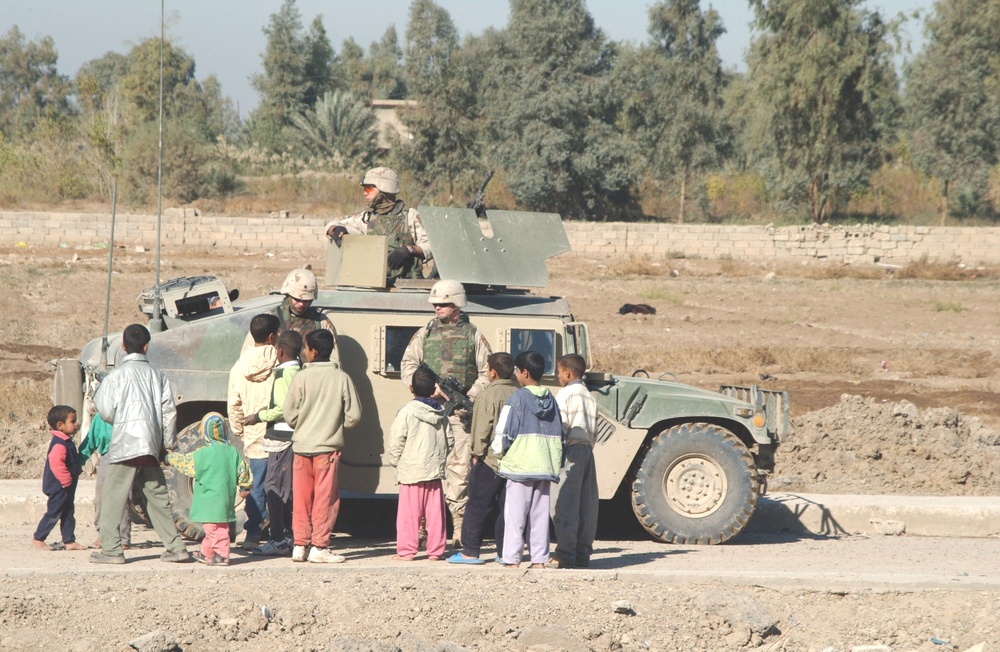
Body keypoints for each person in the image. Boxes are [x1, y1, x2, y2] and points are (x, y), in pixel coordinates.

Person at [400, 279, 492, 548]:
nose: (437, 308)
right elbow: (409, 364)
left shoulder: (473, 335)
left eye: (443, 304)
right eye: (435, 304)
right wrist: (423, 388)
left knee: (458, 470)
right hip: (428, 409)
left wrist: (470, 395)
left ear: (457, 305)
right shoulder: (424, 333)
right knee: (423, 467)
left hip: (457, 413)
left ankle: (459, 528)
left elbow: (486, 372)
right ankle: (420, 528)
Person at [91, 323, 190, 564]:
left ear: (123, 346)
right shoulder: (158, 376)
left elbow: (104, 409)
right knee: (157, 498)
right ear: (147, 346)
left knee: (112, 499)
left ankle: (112, 550)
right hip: (150, 447)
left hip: (124, 446)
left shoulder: (116, 376)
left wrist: (121, 419)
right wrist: (167, 446)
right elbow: (169, 413)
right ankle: (176, 547)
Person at [284, 329, 362, 563]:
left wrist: (302, 424)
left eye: (306, 348)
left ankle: (300, 545)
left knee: (301, 498)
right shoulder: (342, 378)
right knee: (325, 499)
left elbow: (289, 415)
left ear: (313, 352)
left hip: (301, 448)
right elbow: (354, 415)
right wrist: (338, 425)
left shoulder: (300, 377)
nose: (304, 352)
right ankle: (319, 546)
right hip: (327, 449)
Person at [491, 351, 564, 569]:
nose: (515, 374)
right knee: (540, 516)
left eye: (516, 370)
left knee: (515, 515)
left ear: (524, 372)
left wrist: (499, 453)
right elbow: (561, 432)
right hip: (545, 465)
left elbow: (504, 432)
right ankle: (539, 560)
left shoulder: (518, 398)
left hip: (520, 465)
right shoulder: (551, 398)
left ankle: (512, 559)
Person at [448, 352, 517, 565]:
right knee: (508, 508)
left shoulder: (487, 395)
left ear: (492, 373)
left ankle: (470, 551)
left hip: (489, 460)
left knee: (477, 505)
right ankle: (505, 552)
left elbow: (481, 429)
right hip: (514, 461)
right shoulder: (519, 393)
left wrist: (476, 455)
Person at [166, 413, 253, 566]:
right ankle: (207, 553)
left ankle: (222, 555)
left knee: (215, 529)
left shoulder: (202, 454)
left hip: (209, 503)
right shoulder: (232, 451)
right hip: (225, 500)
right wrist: (245, 486)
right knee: (214, 528)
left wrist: (169, 458)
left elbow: (184, 462)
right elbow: (243, 471)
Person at [386, 365, 453, 561]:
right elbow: (449, 440)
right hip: (433, 472)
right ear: (434, 389)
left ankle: (407, 551)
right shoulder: (441, 414)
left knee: (409, 514)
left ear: (411, 389)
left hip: (410, 473)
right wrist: (440, 459)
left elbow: (396, 440)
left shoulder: (406, 412)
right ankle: (436, 551)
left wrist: (396, 462)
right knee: (435, 514)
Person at [245, 330, 303, 557]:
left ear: (279, 351)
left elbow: (283, 409)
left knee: (273, 488)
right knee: (287, 489)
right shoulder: (299, 371)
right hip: (293, 438)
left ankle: (278, 539)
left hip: (281, 437)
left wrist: (258, 416)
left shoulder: (283, 375)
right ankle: (288, 536)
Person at [324, 166, 433, 280]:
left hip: (407, 286)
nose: (365, 193)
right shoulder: (367, 218)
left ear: (384, 189)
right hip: (375, 283)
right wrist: (335, 229)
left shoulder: (410, 215)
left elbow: (431, 247)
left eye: (369, 189)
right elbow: (334, 225)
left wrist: (409, 250)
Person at [228, 313, 280, 548]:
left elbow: (234, 404)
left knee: (255, 487)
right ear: (272, 336)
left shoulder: (239, 366)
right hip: (280, 436)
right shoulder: (281, 361)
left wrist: (240, 430)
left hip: (253, 436)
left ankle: (252, 535)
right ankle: (281, 534)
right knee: (280, 487)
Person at [549, 353, 599, 569]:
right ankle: (582, 554)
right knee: (586, 505)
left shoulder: (565, 393)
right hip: (588, 450)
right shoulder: (589, 395)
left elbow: (560, 425)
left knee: (564, 503)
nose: (558, 376)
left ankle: (565, 554)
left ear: (567, 373)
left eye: (559, 372)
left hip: (570, 451)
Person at [242, 268, 339, 366]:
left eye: (306, 301)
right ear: (288, 294)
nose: (301, 304)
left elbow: (334, 364)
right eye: (297, 299)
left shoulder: (321, 323)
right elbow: (248, 358)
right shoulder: (268, 321)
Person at [32, 405, 86, 551]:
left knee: (68, 512)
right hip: (59, 486)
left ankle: (69, 540)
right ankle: (39, 538)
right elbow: (56, 463)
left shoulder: (67, 441)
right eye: (73, 421)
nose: (76, 424)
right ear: (60, 425)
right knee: (54, 513)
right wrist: (66, 479)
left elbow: (69, 461)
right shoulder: (60, 443)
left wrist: (76, 469)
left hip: (66, 486)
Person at [78, 413, 133, 550]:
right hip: (107, 456)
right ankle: (103, 534)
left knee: (123, 498)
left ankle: (122, 537)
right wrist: (78, 461)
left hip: (127, 455)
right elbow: (90, 441)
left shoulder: (128, 413)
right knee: (101, 497)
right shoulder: (100, 417)